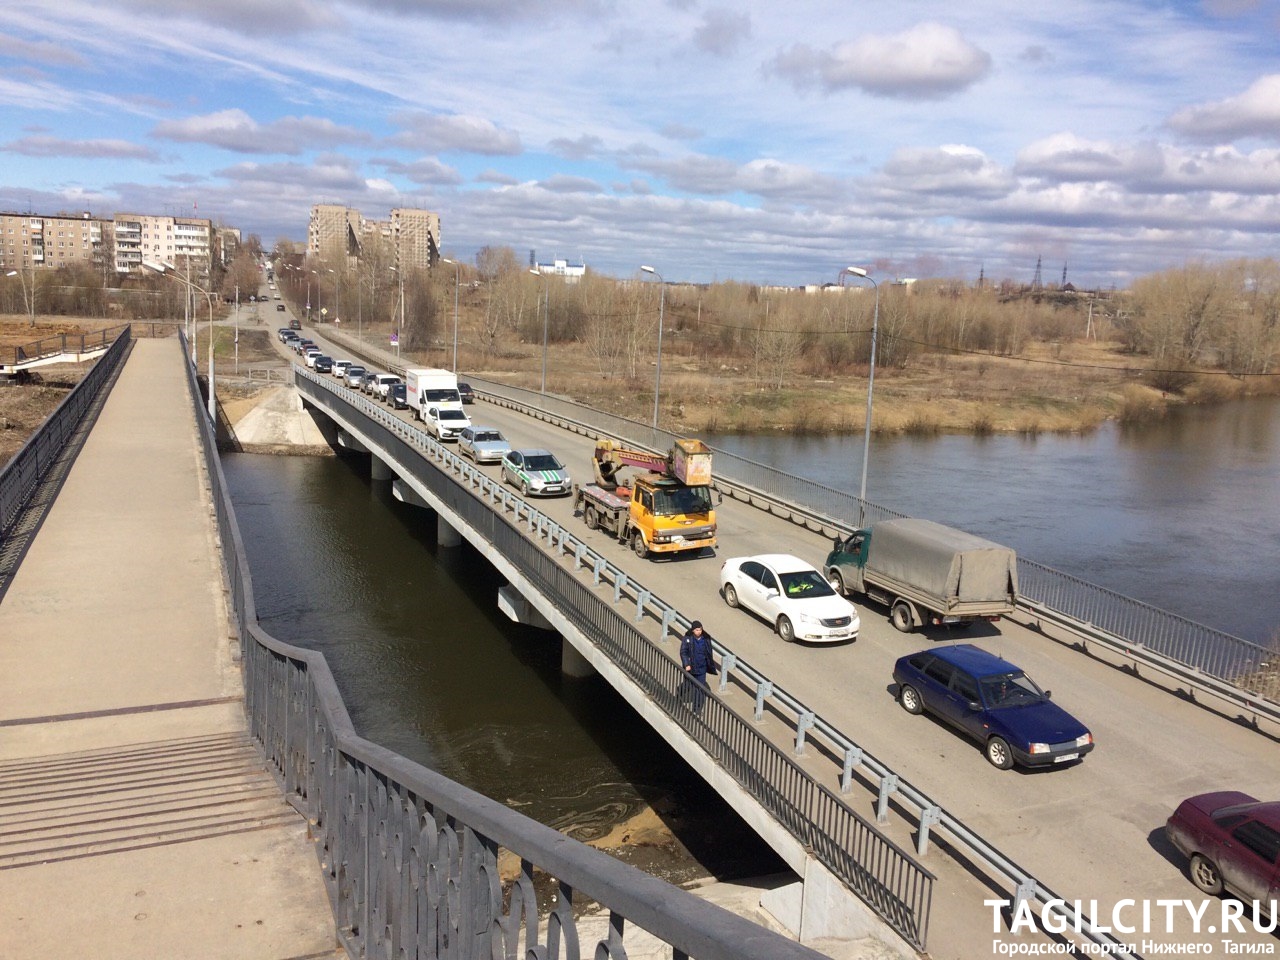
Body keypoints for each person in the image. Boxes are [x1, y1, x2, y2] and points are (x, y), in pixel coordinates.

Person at [679, 620, 718, 714]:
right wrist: (686, 664)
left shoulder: (706, 639)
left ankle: (697, 709)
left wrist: (709, 664)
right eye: (697, 630)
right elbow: (683, 652)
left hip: (701, 668)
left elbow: (708, 652)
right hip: (691, 668)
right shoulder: (687, 638)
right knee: (687, 686)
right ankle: (680, 694)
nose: (699, 631)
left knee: (700, 689)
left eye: (700, 629)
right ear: (693, 630)